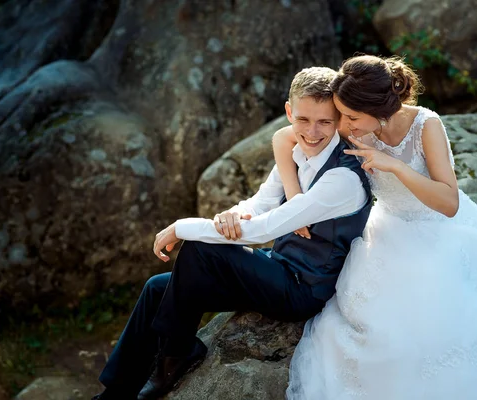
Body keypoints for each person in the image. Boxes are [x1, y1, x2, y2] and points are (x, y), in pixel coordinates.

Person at [271, 55, 477, 399]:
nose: (346, 125)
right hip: (388, 232)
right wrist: (296, 200)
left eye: (353, 116)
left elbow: (449, 202)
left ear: (378, 109)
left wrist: (396, 167)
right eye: (343, 115)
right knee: (369, 326)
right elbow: (284, 138)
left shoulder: (425, 125)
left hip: (442, 230)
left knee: (450, 320)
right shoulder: (352, 123)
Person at [92, 67, 374, 400]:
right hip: (277, 266)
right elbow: (260, 203)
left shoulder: (342, 178)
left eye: (325, 122)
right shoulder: (297, 152)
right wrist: (234, 214)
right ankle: (114, 394)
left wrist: (182, 227)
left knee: (200, 248)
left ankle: (177, 354)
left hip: (302, 289)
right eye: (303, 120)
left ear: (339, 120)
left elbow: (265, 227)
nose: (312, 132)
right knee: (158, 289)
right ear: (288, 112)